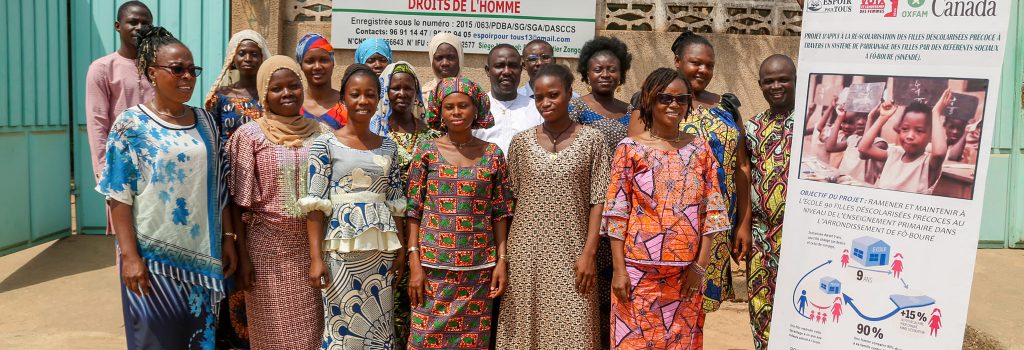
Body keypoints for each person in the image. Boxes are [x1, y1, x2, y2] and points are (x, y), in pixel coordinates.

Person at [97, 26, 235, 350]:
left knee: (198, 340)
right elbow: (118, 195)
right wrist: (130, 258)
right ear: (152, 74)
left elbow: (219, 187)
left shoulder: (205, 122)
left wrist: (229, 238)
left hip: (202, 263)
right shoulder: (131, 124)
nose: (187, 76)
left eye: (192, 69)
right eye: (177, 69)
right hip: (152, 262)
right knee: (154, 341)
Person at [603, 68, 729, 349]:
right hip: (637, 274)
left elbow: (713, 212)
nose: (674, 105)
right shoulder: (629, 149)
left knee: (680, 343)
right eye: (665, 98)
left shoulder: (700, 149)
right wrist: (619, 270)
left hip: (685, 276)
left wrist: (700, 267)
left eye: (681, 99)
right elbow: (616, 212)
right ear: (649, 100)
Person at [495, 64, 609, 349]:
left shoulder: (593, 141)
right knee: (525, 330)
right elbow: (511, 203)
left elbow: (600, 201)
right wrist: (504, 258)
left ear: (570, 93)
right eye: (539, 97)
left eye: (553, 95)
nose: (545, 103)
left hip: (573, 254)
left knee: (575, 330)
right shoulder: (521, 143)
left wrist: (589, 254)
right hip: (526, 256)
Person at [226, 55, 328, 350]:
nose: (287, 93)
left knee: (310, 336)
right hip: (265, 253)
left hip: (312, 253)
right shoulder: (249, 136)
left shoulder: (320, 133)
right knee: (271, 336)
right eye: (277, 88)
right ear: (263, 94)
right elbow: (237, 202)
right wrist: (243, 256)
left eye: (294, 86)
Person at [302, 64, 407, 349]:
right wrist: (315, 258)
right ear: (343, 99)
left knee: (379, 325)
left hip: (381, 252)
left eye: (370, 94)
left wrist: (399, 251)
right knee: (342, 325)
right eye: (355, 94)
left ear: (378, 99)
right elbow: (315, 206)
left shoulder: (388, 147)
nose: (363, 101)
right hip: (339, 253)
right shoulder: (324, 145)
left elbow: (395, 202)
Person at [406, 77, 512, 350]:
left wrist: (501, 260)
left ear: (475, 109)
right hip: (432, 271)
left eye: (463, 105)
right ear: (439, 112)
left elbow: (500, 212)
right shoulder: (427, 152)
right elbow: (413, 211)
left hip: (477, 274)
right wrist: (414, 263)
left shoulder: (492, 154)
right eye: (449, 107)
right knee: (423, 340)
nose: (456, 112)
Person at [672, 31, 753, 316]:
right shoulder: (665, 104)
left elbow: (742, 165)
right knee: (670, 305)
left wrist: (742, 223)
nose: (703, 70)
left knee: (700, 308)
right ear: (678, 62)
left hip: (718, 226)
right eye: (696, 63)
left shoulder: (727, 107)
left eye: (709, 65)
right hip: (674, 224)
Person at [203, 29, 271, 349]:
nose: (248, 58)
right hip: (229, 188)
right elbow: (212, 144)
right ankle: (232, 336)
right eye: (242, 53)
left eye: (254, 53)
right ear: (233, 57)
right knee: (231, 257)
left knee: (258, 259)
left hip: (265, 189)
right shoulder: (219, 97)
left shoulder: (270, 95)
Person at [368, 60, 441, 349]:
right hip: (386, 231)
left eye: (407, 87)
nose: (401, 93)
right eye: (394, 88)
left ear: (416, 92)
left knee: (424, 303)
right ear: (385, 92)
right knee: (389, 301)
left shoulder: (433, 135)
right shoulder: (376, 137)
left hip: (428, 231)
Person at [85, 1, 153, 235]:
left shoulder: (159, 67)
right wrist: (105, 174)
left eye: (145, 23)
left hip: (157, 165)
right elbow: (97, 124)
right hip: (121, 167)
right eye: (133, 22)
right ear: (118, 26)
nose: (139, 27)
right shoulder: (102, 68)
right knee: (127, 245)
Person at [744, 54, 797, 349]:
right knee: (762, 306)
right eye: (769, 81)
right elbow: (746, 179)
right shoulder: (752, 129)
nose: (776, 86)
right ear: (761, 85)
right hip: (761, 237)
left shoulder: (810, 126)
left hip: (801, 237)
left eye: (783, 79)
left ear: (795, 81)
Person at [858, 92, 950, 194]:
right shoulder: (893, 154)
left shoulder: (927, 164)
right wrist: (883, 117)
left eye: (919, 131)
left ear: (931, 136)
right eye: (905, 129)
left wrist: (936, 112)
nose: (910, 136)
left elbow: (939, 153)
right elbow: (863, 148)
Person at [472, 44, 544, 155]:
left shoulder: (536, 109)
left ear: (521, 69)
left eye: (513, 66)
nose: (506, 72)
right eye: (499, 66)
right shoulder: (475, 108)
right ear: (488, 70)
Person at [570, 36, 636, 151]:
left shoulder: (630, 111)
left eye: (612, 70)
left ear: (621, 74)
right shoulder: (576, 107)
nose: (605, 75)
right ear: (588, 74)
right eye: (598, 70)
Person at [296, 33, 347, 129]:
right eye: (310, 61)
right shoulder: (294, 105)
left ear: (332, 63)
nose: (317, 67)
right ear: (301, 65)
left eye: (324, 60)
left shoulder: (347, 104)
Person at [421, 33, 464, 101]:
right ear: (432, 60)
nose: (445, 63)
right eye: (439, 58)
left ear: (460, 59)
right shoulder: (422, 96)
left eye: (451, 57)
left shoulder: (472, 93)